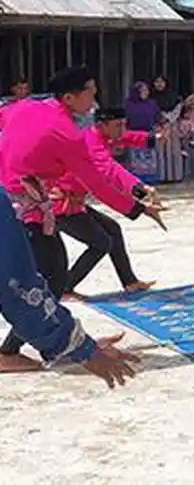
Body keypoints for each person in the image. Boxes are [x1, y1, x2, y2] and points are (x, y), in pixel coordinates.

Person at [0, 66, 165, 372]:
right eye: (90, 90)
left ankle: (61, 340)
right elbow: (98, 182)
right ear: (69, 97)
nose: (95, 95)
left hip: (21, 206)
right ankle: (12, 350)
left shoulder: (20, 107)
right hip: (24, 213)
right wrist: (138, 208)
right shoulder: (67, 134)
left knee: (51, 275)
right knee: (44, 278)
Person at [0, 187, 141, 386]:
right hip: (44, 215)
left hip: (42, 213)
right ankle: (10, 351)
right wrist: (77, 346)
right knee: (54, 276)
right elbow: (16, 285)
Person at [55, 106, 160, 298]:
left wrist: (152, 138)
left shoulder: (101, 135)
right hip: (60, 205)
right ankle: (64, 289)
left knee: (112, 229)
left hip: (74, 201)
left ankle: (129, 282)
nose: (122, 129)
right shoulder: (91, 144)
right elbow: (109, 172)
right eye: (118, 125)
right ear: (101, 125)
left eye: (123, 124)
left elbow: (126, 137)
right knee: (101, 243)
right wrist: (139, 191)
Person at [124, 81, 161, 183]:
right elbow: (126, 119)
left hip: (149, 133)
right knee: (136, 158)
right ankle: (136, 180)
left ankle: (150, 179)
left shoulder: (151, 103)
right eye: (142, 90)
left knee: (150, 157)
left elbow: (157, 117)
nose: (145, 92)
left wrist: (159, 127)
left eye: (146, 90)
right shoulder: (129, 104)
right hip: (134, 134)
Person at [151, 75, 184, 183]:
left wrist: (168, 119)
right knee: (160, 152)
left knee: (172, 152)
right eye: (157, 82)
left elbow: (178, 109)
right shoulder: (151, 98)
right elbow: (152, 110)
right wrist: (160, 118)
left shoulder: (174, 97)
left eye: (161, 82)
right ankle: (161, 177)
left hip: (171, 126)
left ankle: (174, 176)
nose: (159, 84)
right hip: (158, 126)